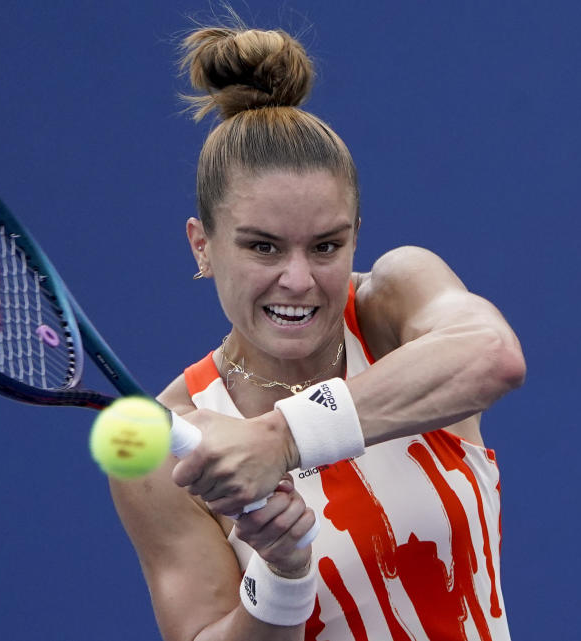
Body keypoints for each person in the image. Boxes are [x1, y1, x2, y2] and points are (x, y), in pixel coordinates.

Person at [108, 20, 526, 641]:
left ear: (357, 234)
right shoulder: (166, 448)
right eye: (263, 248)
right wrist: (282, 575)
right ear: (203, 246)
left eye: (326, 245)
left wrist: (280, 440)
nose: (299, 280)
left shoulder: (394, 308)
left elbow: (493, 356)